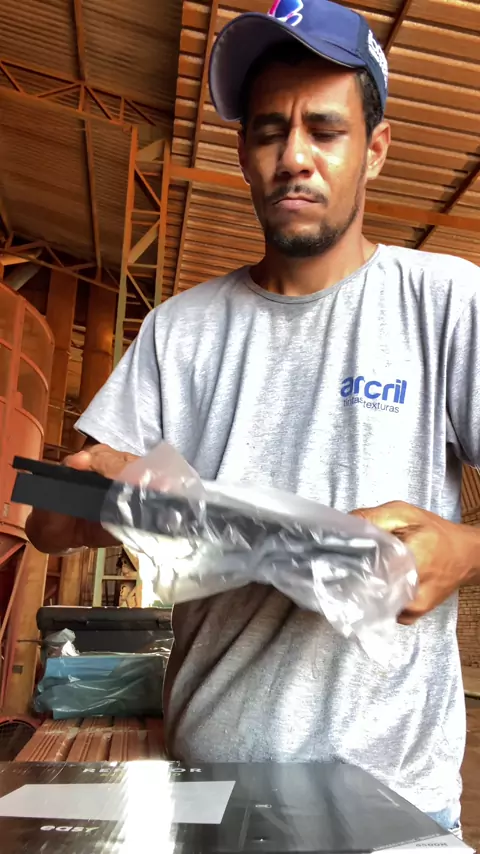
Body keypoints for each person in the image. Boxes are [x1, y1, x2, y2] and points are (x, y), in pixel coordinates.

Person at [26, 0, 480, 833]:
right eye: (270, 131)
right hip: (208, 791)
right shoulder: (181, 331)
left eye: (326, 130)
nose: (294, 157)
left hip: (393, 801)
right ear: (242, 152)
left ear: (376, 149)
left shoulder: (445, 303)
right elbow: (47, 526)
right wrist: (104, 501)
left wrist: (463, 548)